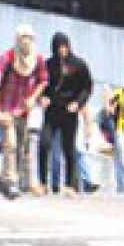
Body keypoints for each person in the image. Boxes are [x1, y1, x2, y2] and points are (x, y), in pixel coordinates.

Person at [0, 24, 47, 200]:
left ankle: (4, 179)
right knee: (11, 144)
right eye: (23, 37)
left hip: (23, 110)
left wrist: (33, 97)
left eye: (30, 38)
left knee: (22, 147)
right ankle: (12, 182)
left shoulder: (37, 59)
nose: (27, 41)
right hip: (7, 109)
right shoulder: (7, 58)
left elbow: (43, 80)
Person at [38, 32, 92, 198]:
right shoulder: (47, 65)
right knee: (44, 144)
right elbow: (41, 84)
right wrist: (42, 97)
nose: (62, 50)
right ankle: (43, 184)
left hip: (69, 111)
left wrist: (78, 103)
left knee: (69, 148)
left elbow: (87, 87)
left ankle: (70, 185)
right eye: (58, 47)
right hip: (52, 111)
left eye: (64, 46)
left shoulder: (79, 64)